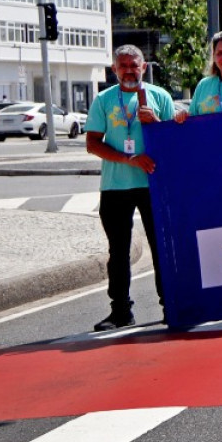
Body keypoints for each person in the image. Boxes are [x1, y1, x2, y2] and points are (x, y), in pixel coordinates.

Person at [85, 45, 175, 331]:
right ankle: (120, 311)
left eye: (134, 65)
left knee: (162, 249)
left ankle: (170, 306)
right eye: (122, 65)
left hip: (153, 184)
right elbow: (93, 143)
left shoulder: (160, 97)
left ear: (144, 67)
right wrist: (129, 159)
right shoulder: (104, 100)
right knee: (119, 250)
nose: (129, 70)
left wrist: (156, 123)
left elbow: (174, 140)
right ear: (114, 69)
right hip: (116, 186)